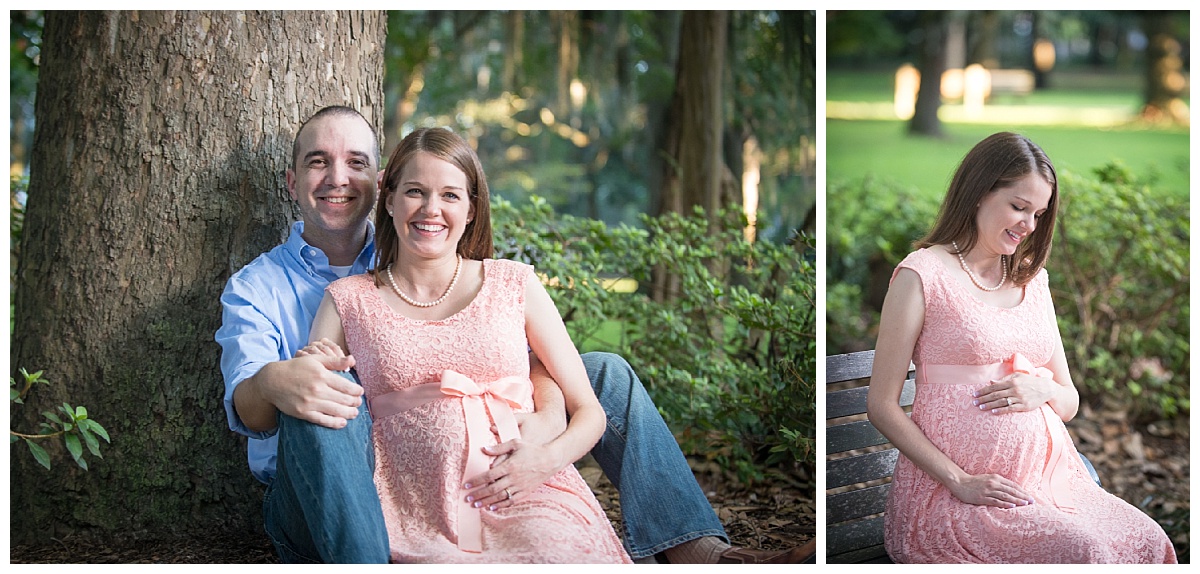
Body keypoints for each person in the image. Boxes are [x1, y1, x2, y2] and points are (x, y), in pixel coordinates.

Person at [216, 105, 810, 563]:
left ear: (379, 184)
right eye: (318, 162)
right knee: (323, 402)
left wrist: (548, 420)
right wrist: (274, 380)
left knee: (601, 372)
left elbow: (493, 357)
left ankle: (694, 549)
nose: (337, 178)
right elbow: (249, 408)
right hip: (323, 477)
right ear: (293, 182)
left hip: (454, 448)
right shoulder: (260, 288)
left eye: (356, 163)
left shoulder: (420, 241)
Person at [296, 126, 628, 562]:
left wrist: (544, 461)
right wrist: (314, 362)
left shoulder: (514, 284)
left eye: (451, 195)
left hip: (527, 491)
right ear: (389, 198)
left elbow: (590, 412)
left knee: (555, 554)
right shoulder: (348, 300)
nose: (431, 209)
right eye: (415, 191)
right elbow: (318, 383)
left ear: (471, 209)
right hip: (413, 512)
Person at [866, 131, 1177, 564]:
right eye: (1018, 206)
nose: (1028, 225)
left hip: (1049, 483)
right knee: (1086, 552)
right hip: (958, 501)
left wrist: (1042, 390)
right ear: (977, 193)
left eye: (1038, 213)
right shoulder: (922, 276)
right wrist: (960, 481)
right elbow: (881, 405)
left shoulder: (1033, 279)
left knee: (1147, 538)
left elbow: (1068, 401)